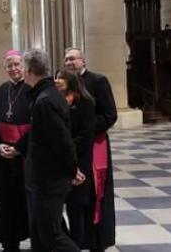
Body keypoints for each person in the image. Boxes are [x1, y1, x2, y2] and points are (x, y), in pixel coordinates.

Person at [14, 49, 81, 252]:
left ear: (29, 70)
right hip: (42, 179)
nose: (21, 71)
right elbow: (39, 136)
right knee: (39, 235)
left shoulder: (45, 100)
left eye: (23, 67)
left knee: (51, 235)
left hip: (49, 180)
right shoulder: (44, 95)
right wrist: (17, 148)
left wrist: (72, 169)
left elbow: (62, 142)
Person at [64, 47, 118, 252]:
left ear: (83, 61)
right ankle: (77, 240)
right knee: (74, 195)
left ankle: (96, 242)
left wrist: (85, 130)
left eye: (73, 59)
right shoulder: (63, 85)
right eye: (66, 59)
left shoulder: (98, 81)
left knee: (95, 194)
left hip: (94, 146)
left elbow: (110, 114)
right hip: (71, 147)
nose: (69, 62)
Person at [0, 50, 31, 252]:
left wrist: (19, 149)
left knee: (27, 201)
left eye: (17, 64)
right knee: (6, 201)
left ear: (24, 66)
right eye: (9, 65)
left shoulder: (32, 88)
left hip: (26, 155)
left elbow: (38, 124)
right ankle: (9, 243)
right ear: (5, 69)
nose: (13, 68)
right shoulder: (2, 90)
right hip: (3, 156)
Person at [55, 69, 96, 247]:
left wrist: (68, 149)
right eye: (55, 77)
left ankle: (77, 244)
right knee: (55, 207)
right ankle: (65, 243)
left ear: (70, 80)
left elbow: (86, 134)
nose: (56, 80)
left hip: (79, 159)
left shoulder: (85, 102)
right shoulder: (55, 101)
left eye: (60, 78)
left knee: (76, 207)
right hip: (60, 160)